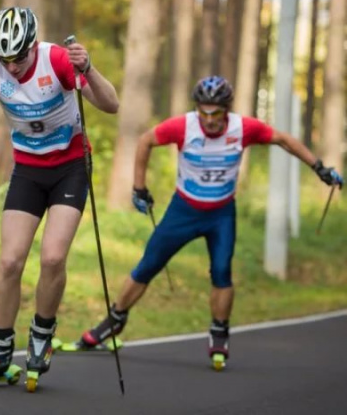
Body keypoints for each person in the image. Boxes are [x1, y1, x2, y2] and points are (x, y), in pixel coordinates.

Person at [74, 76, 343, 368]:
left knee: (221, 270)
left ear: (227, 110)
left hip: (221, 213)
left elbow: (284, 140)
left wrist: (319, 168)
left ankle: (219, 332)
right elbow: (145, 140)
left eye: (216, 113)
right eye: (204, 112)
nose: (210, 120)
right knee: (149, 264)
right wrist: (139, 188)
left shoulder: (243, 128)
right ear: (197, 109)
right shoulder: (184, 126)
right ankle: (114, 321)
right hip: (183, 210)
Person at [0, 7, 119, 384]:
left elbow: (111, 104)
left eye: (18, 58)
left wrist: (89, 69)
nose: (12, 68)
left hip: (70, 167)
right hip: (28, 170)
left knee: (52, 258)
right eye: (5, 59)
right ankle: (0, 348)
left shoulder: (58, 60)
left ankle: (41, 335)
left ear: (33, 45)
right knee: (10, 262)